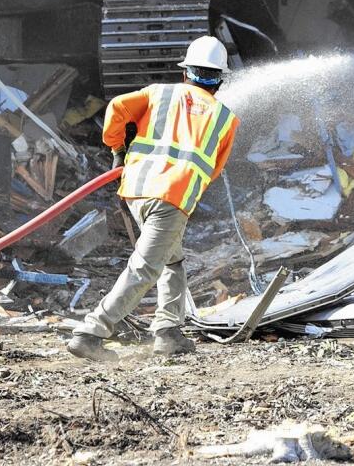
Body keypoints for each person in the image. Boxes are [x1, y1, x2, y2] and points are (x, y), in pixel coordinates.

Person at [66, 35, 239, 361]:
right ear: (219, 80)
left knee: (172, 260)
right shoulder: (224, 118)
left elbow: (117, 106)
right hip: (171, 200)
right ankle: (91, 331)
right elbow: (213, 170)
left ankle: (169, 332)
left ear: (186, 72)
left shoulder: (159, 92)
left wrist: (117, 148)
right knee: (145, 268)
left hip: (137, 191)